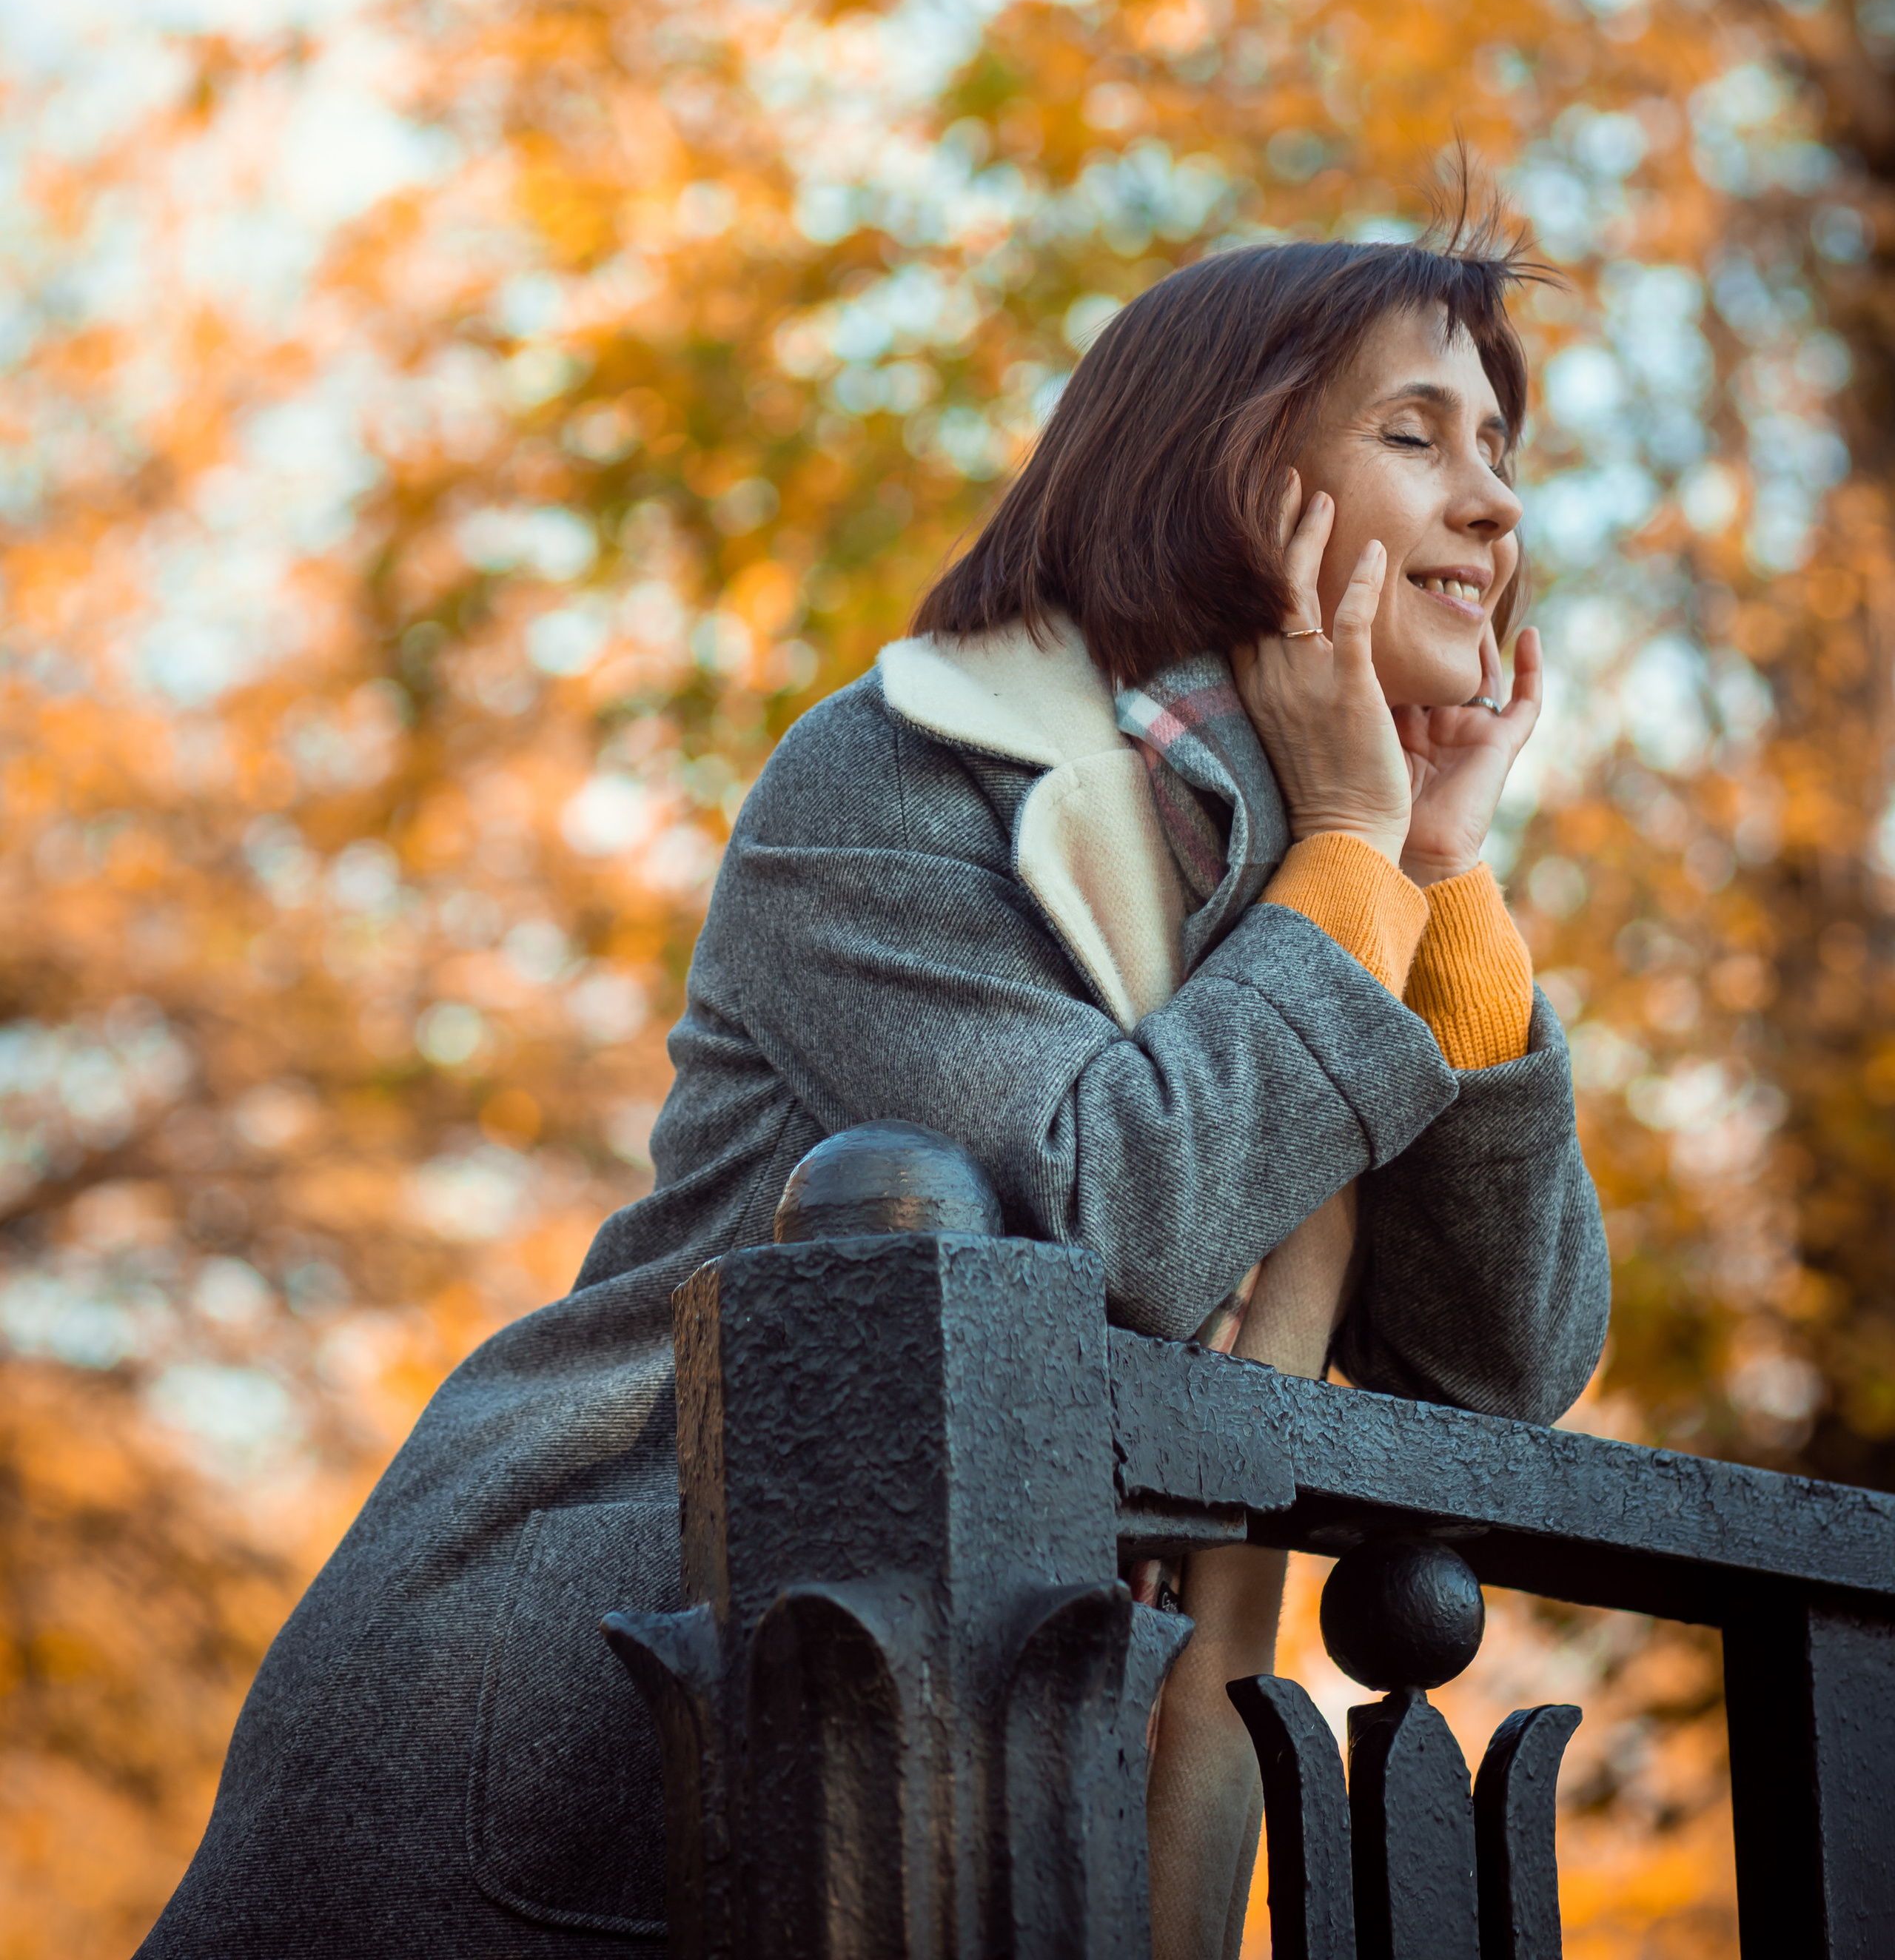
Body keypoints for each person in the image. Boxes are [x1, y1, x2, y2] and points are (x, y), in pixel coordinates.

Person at [141, 221, 1609, 1960]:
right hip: (607, 1731)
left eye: (1497, 450)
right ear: (1227, 471)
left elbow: (1496, 1378)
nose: (1493, 507)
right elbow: (1110, 1224)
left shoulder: (1326, 890)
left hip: (986, 1764)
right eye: (1414, 434)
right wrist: (1358, 855)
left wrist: (1441, 890)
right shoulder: (914, 778)